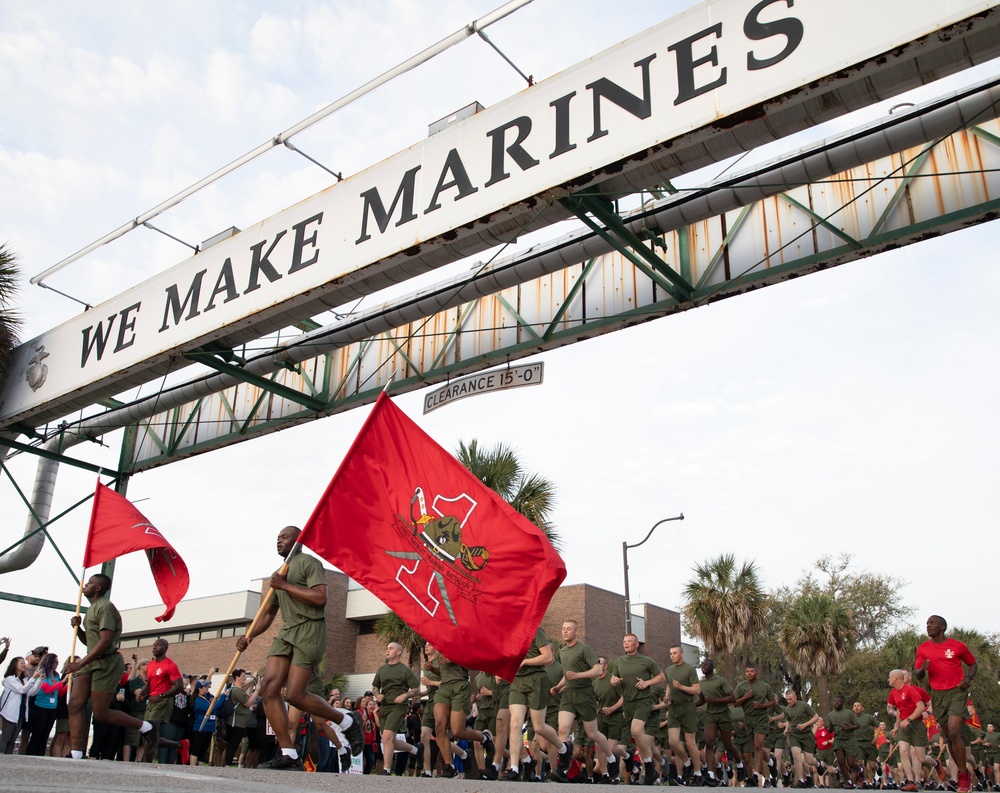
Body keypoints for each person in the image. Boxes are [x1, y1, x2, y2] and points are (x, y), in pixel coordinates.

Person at [235, 526, 362, 770]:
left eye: (284, 537)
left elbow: (320, 598)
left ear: (298, 541)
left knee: (294, 694)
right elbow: (268, 614)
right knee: (269, 688)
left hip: (310, 630)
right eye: (277, 538)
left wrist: (285, 586)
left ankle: (345, 721)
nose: (278, 541)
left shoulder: (308, 563)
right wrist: (248, 635)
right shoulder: (278, 573)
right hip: (287, 632)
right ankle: (289, 752)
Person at [66, 574, 181, 761]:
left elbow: (105, 642)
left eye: (89, 583)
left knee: (101, 713)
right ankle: (76, 753)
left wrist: (80, 663)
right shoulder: (91, 610)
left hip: (106, 662)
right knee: (75, 704)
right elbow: (90, 641)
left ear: (97, 588)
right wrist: (79, 630)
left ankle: (146, 727)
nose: (85, 586)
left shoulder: (105, 608)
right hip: (90, 662)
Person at [914, 615, 978, 793]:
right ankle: (961, 776)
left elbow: (972, 664)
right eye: (927, 623)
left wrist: (968, 678)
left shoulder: (957, 646)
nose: (928, 626)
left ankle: (963, 778)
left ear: (942, 627)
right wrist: (922, 670)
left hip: (957, 691)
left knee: (955, 730)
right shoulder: (923, 649)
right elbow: (917, 673)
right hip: (938, 694)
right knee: (949, 736)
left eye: (932, 623)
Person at [549, 619, 618, 783]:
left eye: (569, 629)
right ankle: (563, 769)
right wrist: (558, 687)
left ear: (576, 631)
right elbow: (568, 675)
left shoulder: (584, 649)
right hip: (568, 695)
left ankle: (611, 758)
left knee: (593, 733)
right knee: (563, 729)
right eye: (563, 629)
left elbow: (598, 669)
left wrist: (578, 675)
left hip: (585, 694)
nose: (565, 632)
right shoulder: (562, 651)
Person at [610, 633, 665, 786]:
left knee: (636, 730)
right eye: (624, 641)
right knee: (626, 742)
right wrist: (613, 680)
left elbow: (661, 677)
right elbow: (614, 678)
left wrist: (647, 683)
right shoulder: (619, 661)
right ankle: (648, 767)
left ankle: (649, 766)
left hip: (643, 702)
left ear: (637, 644)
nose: (626, 644)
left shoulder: (646, 660)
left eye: (629, 641)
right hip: (628, 704)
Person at [371, 641, 421, 775]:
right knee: (388, 739)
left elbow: (416, 688)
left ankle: (386, 770)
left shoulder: (405, 670)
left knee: (387, 736)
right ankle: (415, 750)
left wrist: (405, 695)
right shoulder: (381, 669)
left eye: (391, 648)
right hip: (385, 707)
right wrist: (378, 695)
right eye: (387, 648)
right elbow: (375, 687)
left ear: (399, 652)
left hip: (398, 707)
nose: (387, 651)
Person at [697, 658, 746, 786]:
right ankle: (711, 774)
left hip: (723, 715)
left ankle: (740, 764)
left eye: (706, 664)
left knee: (728, 745)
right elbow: (702, 700)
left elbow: (732, 698)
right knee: (709, 743)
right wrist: (688, 705)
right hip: (710, 715)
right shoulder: (701, 683)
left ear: (712, 667)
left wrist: (715, 700)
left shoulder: (720, 680)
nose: (704, 666)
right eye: (702, 664)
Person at [142, 638, 188, 765]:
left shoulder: (170, 665)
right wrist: (142, 693)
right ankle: (179, 745)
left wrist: (161, 695)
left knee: (150, 730)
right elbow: (149, 684)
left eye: (159, 645)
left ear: (165, 648)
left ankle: (147, 763)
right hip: (151, 700)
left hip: (163, 701)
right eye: (153, 645)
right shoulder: (151, 664)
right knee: (146, 733)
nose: (155, 647)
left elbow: (179, 686)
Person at [664, 644, 704, 786]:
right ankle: (687, 764)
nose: (672, 655)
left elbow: (697, 690)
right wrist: (667, 696)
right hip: (674, 708)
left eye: (675, 653)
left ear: (682, 654)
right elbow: (669, 686)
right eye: (670, 653)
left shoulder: (689, 669)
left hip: (688, 707)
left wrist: (681, 687)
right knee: (673, 742)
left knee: (689, 742)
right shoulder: (668, 670)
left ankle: (698, 774)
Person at [734, 664, 777, 787]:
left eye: (751, 671)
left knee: (758, 745)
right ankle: (770, 761)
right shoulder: (741, 686)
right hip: (748, 719)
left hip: (761, 718)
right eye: (747, 671)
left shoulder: (764, 686)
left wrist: (762, 706)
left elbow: (773, 701)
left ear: (756, 673)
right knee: (755, 747)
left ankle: (756, 775)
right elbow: (735, 703)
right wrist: (745, 697)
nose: (749, 673)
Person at [1, 656, 41, 753]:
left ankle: (9, 759)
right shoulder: (10, 679)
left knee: (12, 740)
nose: (24, 665)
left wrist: (39, 680)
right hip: (9, 713)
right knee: (6, 737)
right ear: (15, 665)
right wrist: (33, 678)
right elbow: (21, 690)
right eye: (21, 663)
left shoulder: (23, 680)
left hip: (21, 713)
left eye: (24, 663)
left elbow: (31, 692)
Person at [781, 688, 819, 788]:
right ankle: (801, 781)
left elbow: (816, 717)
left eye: (790, 699)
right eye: (787, 700)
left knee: (809, 760)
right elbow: (789, 721)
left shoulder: (804, 705)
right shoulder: (787, 709)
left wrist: (805, 725)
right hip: (794, 735)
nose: (789, 701)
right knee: (796, 757)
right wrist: (786, 729)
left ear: (795, 697)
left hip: (806, 734)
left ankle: (818, 764)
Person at [26, 651, 60, 756]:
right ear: (50, 662)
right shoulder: (42, 672)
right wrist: (61, 683)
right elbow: (46, 689)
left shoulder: (56, 675)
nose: (57, 664)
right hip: (40, 707)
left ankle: (41, 756)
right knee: (37, 734)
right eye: (55, 662)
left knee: (45, 735)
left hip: (52, 707)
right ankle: (31, 755)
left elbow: (60, 691)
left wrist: (65, 683)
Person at [828, 695, 862, 789]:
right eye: (835, 701)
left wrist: (849, 728)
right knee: (841, 761)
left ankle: (860, 769)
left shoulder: (848, 713)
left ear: (842, 703)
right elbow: (830, 729)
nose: (836, 703)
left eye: (839, 702)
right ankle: (849, 781)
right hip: (838, 740)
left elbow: (857, 725)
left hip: (850, 739)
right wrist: (829, 729)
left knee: (851, 763)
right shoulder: (830, 715)